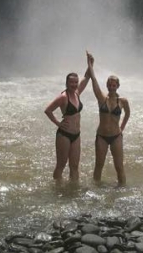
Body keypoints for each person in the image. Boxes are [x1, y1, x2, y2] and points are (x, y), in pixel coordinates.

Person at [85, 50, 130, 185]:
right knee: (99, 165)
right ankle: (96, 191)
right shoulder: (101, 98)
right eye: (109, 85)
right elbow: (93, 80)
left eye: (114, 85)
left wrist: (121, 127)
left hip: (116, 136)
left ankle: (122, 190)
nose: (111, 87)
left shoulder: (123, 101)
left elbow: (128, 114)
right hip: (102, 136)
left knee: (119, 166)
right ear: (107, 86)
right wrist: (90, 64)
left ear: (117, 86)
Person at [44, 65, 91, 183]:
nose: (74, 85)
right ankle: (57, 189)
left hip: (76, 135)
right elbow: (48, 110)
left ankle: (74, 191)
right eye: (71, 82)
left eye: (76, 82)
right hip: (64, 135)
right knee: (61, 164)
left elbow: (86, 77)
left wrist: (90, 63)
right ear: (67, 83)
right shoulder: (63, 97)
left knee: (74, 166)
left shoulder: (77, 93)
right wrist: (58, 123)